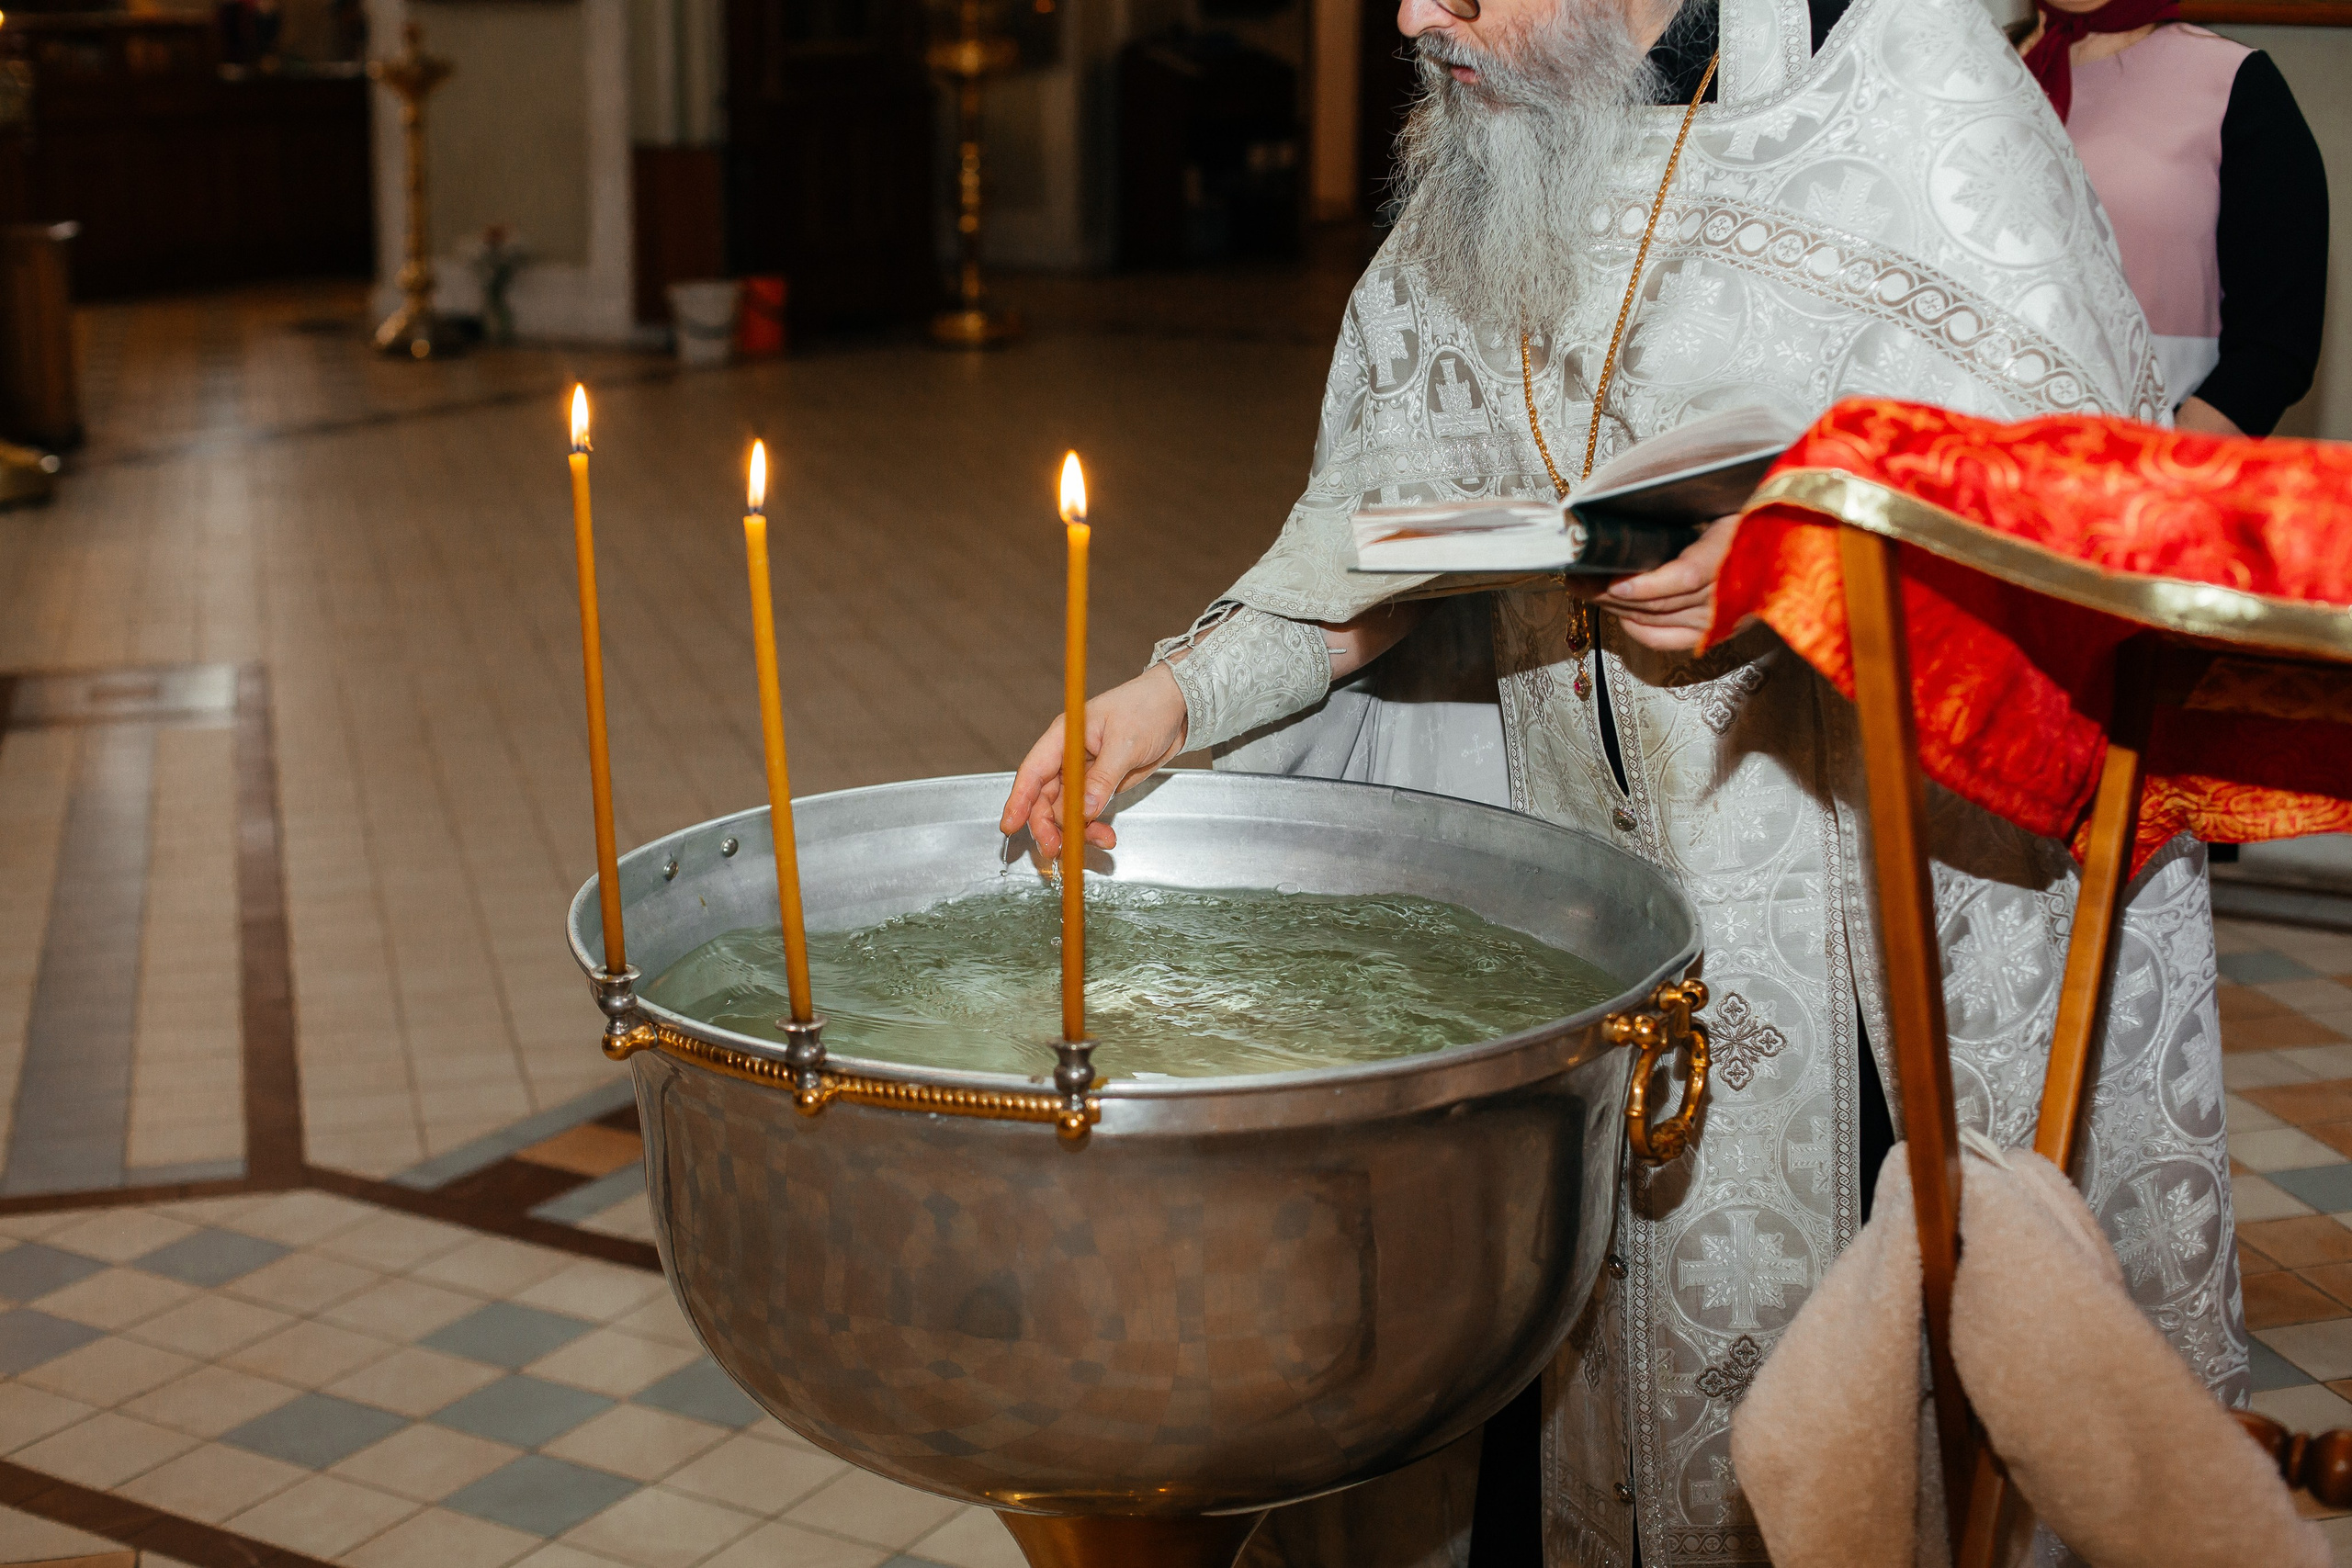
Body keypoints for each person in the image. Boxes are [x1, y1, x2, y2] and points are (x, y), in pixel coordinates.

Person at [999, 0, 2236, 1556]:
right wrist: (1177, 697)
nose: (1415, 14)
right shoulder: (1492, 142)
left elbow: (2092, 533)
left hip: (1862, 990)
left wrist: (1799, 555)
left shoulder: (1908, 91)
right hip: (1560, 988)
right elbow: (1385, 533)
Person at [2021, 0, 2328, 437]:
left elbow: (2275, 344)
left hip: (2149, 469)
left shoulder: (2234, 81)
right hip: (1961, 455)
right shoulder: (1966, 69)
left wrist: (2160, 469)